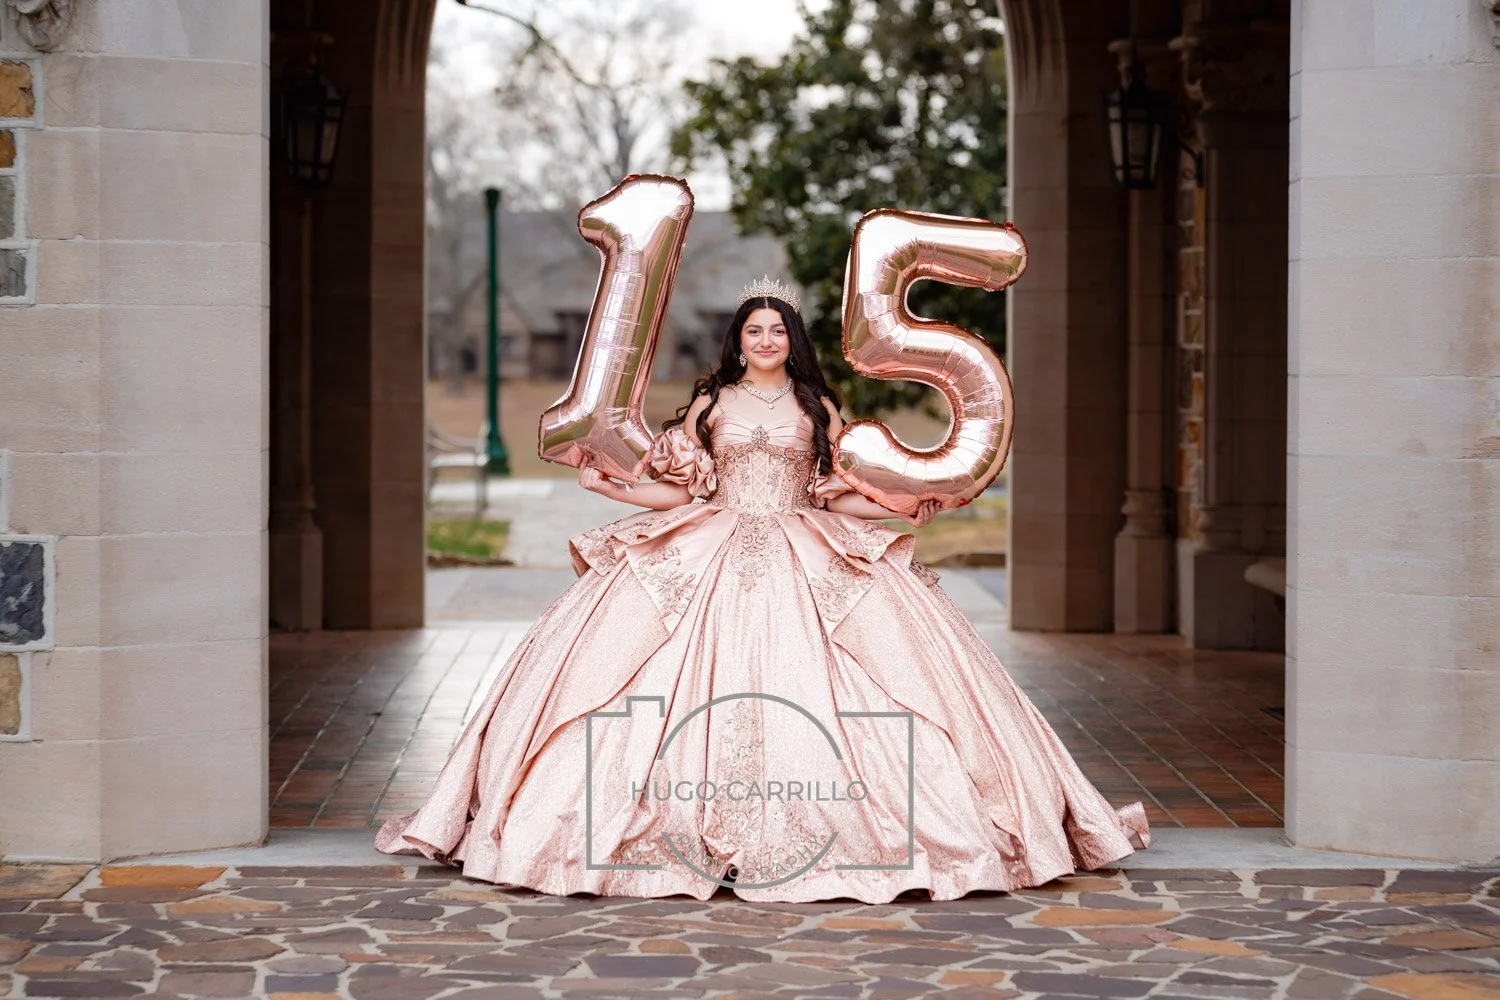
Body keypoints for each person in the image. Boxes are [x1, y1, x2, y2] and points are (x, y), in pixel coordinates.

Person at [375, 277, 1150, 903]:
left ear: (792, 341)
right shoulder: (711, 404)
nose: (768, 340)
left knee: (890, 669)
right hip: (712, 544)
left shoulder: (822, 408)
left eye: (779, 330)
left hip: (800, 543)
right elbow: (686, 495)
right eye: (756, 330)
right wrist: (606, 488)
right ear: (738, 339)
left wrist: (901, 502)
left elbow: (833, 492)